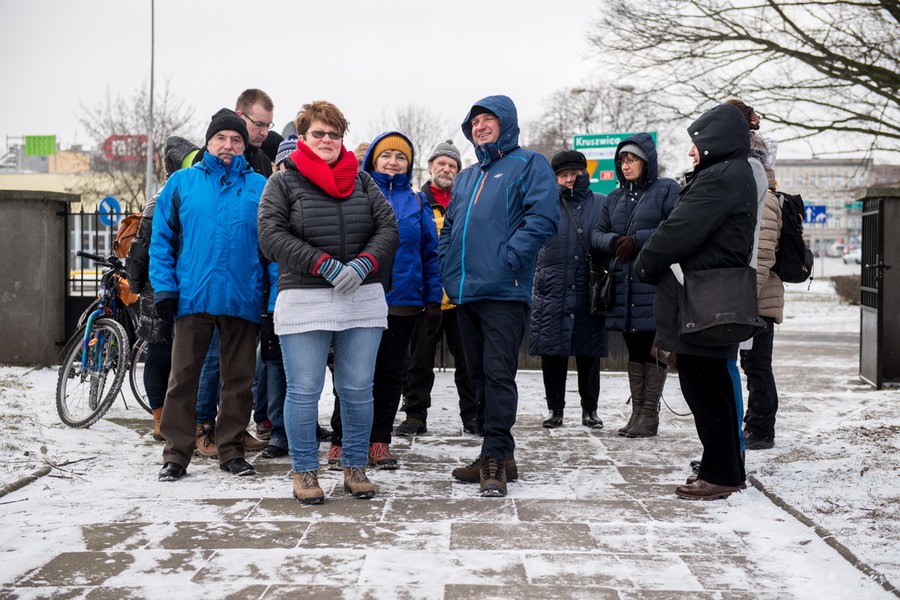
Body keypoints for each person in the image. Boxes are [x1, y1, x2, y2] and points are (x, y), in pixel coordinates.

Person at [257, 101, 399, 505]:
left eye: (334, 134)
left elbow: (388, 227)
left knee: (357, 389)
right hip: (304, 296)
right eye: (319, 133)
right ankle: (304, 471)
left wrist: (364, 263)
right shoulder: (282, 183)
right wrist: (323, 264)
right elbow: (270, 237)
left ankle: (355, 466)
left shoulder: (363, 182)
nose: (327, 140)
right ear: (303, 138)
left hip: (361, 295)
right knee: (303, 390)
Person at [633, 103, 757, 500]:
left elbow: (677, 231)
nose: (691, 152)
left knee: (705, 388)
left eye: (696, 144)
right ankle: (724, 468)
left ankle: (720, 473)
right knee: (713, 384)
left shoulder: (719, 178)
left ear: (716, 141)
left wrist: (645, 263)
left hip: (702, 298)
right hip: (711, 294)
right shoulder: (732, 173)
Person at [439, 95, 559, 497]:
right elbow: (448, 229)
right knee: (477, 377)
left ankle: (494, 458)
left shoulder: (529, 164)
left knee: (497, 373)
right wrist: (447, 267)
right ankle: (499, 452)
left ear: (506, 123)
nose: (480, 126)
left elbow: (543, 217)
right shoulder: (467, 176)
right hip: (466, 292)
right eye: (475, 121)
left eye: (489, 119)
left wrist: (510, 258)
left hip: (505, 292)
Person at [152, 108, 267, 482]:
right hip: (192, 297)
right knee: (182, 378)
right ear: (208, 142)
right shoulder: (183, 182)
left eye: (236, 139)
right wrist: (165, 288)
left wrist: (273, 297)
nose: (228, 145)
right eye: (221, 138)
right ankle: (176, 454)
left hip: (243, 296)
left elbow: (273, 247)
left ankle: (231, 450)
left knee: (238, 380)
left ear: (244, 146)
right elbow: (161, 241)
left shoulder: (260, 187)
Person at [591, 134, 680, 438]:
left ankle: (649, 415)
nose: (625, 165)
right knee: (634, 349)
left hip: (653, 282)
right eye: (622, 160)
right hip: (622, 284)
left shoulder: (666, 189)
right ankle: (637, 413)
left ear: (646, 162)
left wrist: (637, 240)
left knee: (651, 348)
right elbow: (596, 235)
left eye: (631, 160)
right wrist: (616, 241)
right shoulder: (614, 197)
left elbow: (674, 227)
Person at [397, 140, 478, 436]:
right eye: (441, 164)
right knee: (418, 362)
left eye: (452, 165)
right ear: (430, 167)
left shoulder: (466, 202)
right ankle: (416, 414)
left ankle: (472, 414)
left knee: (468, 362)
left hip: (460, 295)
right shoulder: (416, 202)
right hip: (425, 295)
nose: (446, 169)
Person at [125, 136, 200, 441]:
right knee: (158, 352)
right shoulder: (161, 199)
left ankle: (176, 417)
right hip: (159, 287)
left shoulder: (190, 191)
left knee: (177, 354)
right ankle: (159, 419)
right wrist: (137, 282)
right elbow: (143, 245)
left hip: (183, 285)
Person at [531, 150, 609, 430]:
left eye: (574, 174)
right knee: (553, 354)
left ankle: (590, 410)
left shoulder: (600, 202)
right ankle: (555, 409)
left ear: (584, 173)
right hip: (551, 288)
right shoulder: (544, 203)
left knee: (588, 355)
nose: (569, 180)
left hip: (587, 288)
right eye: (563, 175)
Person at [725, 99, 784, 451]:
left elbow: (761, 253)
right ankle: (754, 424)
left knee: (757, 364)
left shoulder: (760, 186)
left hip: (757, 296)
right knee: (752, 363)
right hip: (751, 293)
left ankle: (761, 428)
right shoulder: (753, 176)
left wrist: (744, 296)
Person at [235, 88, 276, 178]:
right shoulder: (215, 154)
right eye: (259, 124)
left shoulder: (264, 162)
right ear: (240, 116)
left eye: (268, 125)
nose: (265, 133)